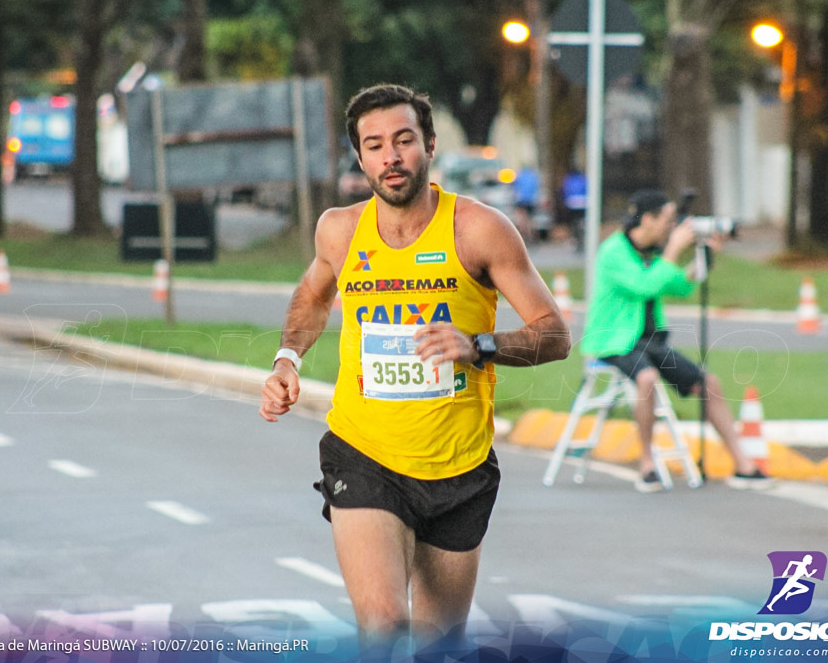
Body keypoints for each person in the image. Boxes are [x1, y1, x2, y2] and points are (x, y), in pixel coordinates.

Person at [259, 83, 571, 653]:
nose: (391, 156)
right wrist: (286, 359)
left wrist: (479, 345)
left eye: (403, 140)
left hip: (459, 466)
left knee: (438, 646)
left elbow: (554, 336)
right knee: (382, 627)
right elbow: (312, 296)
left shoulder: (478, 229)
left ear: (429, 146)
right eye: (374, 145)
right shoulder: (340, 229)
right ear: (361, 158)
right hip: (365, 451)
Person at [579, 189, 773, 492]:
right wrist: (672, 250)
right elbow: (645, 285)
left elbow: (680, 286)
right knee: (646, 379)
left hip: (651, 342)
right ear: (647, 219)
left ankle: (743, 465)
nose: (674, 226)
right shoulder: (613, 252)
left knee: (709, 383)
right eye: (668, 220)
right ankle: (646, 464)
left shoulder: (652, 256)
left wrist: (706, 257)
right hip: (615, 341)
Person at [511, 164, 539, 242]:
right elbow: (536, 189)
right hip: (531, 201)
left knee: (522, 219)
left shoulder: (520, 176)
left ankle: (523, 237)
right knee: (531, 220)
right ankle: (531, 236)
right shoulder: (533, 176)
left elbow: (513, 185)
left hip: (521, 200)